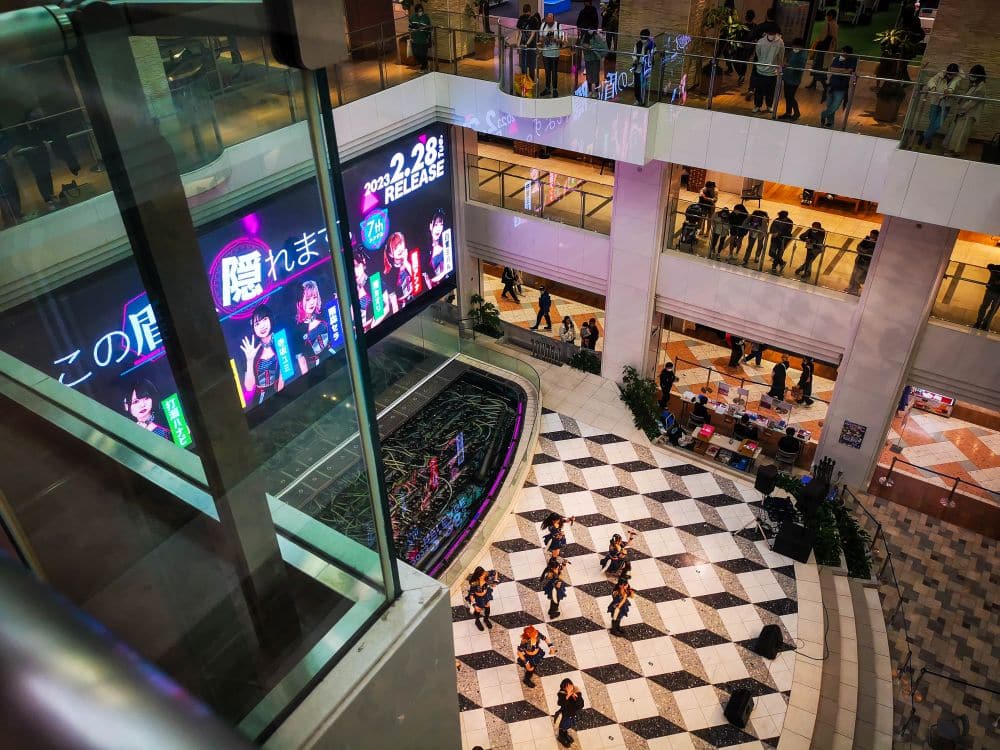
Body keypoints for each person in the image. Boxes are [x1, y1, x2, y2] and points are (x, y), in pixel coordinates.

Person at [20, 107, 82, 210]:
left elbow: (52, 134)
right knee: (43, 176)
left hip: (49, 152)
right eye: (36, 117)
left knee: (45, 174)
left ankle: (55, 197)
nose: (39, 119)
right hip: (37, 157)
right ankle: (49, 199)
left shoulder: (45, 124)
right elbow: (25, 141)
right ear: (29, 119)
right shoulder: (22, 128)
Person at [240, 304, 284, 405]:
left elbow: (284, 373)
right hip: (259, 400)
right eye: (257, 324)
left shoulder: (280, 340)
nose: (262, 326)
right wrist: (250, 360)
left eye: (264, 319)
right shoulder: (252, 349)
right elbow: (249, 386)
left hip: (279, 393)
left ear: (271, 319)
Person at [943, 65, 987, 157]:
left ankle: (954, 152)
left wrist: (962, 109)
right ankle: (951, 150)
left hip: (968, 114)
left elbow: (972, 102)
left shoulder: (981, 87)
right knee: (956, 132)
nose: (971, 77)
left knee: (960, 134)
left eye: (973, 75)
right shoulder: (975, 85)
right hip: (963, 112)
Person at [918, 63, 962, 148]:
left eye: (952, 74)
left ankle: (924, 136)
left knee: (938, 124)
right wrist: (933, 87)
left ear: (956, 73)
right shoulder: (940, 74)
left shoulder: (957, 78)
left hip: (946, 104)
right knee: (932, 122)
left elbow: (954, 85)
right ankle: (929, 141)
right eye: (949, 73)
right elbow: (931, 81)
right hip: (935, 102)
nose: (950, 76)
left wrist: (949, 90)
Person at [295, 279, 331, 374]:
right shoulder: (298, 329)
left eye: (314, 297)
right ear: (300, 301)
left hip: (334, 356)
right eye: (307, 299)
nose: (312, 302)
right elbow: (301, 359)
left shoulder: (324, 314)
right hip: (315, 369)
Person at [820, 46, 856, 128]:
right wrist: (843, 70)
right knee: (829, 104)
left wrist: (839, 70)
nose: (845, 54)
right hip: (832, 85)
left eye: (847, 53)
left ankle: (823, 114)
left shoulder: (852, 60)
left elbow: (849, 71)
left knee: (835, 106)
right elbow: (832, 69)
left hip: (842, 87)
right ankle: (830, 122)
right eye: (844, 52)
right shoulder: (836, 59)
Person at [752, 27, 784, 113]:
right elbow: (758, 53)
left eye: (773, 32)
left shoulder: (780, 42)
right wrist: (762, 62)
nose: (771, 34)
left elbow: (781, 56)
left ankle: (769, 105)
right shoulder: (761, 41)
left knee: (770, 90)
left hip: (772, 72)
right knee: (759, 90)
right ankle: (757, 105)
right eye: (770, 32)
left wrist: (778, 68)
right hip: (761, 70)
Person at [806, 10, 838, 95]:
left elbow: (824, 37)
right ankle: (814, 83)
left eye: (828, 15)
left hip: (823, 49)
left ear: (831, 16)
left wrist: (818, 42)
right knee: (819, 66)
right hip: (828, 49)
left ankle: (825, 86)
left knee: (819, 66)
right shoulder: (835, 25)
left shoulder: (830, 24)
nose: (827, 17)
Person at [383, 232, 414, 312]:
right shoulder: (389, 274)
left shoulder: (411, 259)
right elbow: (394, 303)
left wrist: (406, 263)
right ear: (390, 254)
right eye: (396, 247)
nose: (400, 248)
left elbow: (418, 279)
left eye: (401, 244)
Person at [779, 38, 808, 121]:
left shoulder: (803, 55)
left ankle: (796, 113)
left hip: (794, 79)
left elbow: (800, 67)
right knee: (787, 96)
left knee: (790, 96)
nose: (794, 47)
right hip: (787, 77)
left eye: (796, 46)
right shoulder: (792, 52)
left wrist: (789, 66)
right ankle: (788, 113)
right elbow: (788, 61)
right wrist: (785, 65)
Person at [554, 678, 584, 747]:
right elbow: (560, 703)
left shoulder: (577, 692)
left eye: (570, 687)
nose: (569, 689)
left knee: (567, 726)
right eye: (567, 688)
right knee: (562, 727)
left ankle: (565, 735)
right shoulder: (562, 694)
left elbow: (581, 705)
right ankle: (561, 737)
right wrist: (567, 695)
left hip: (572, 714)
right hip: (565, 714)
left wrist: (576, 698)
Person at [465, 566, 497, 631]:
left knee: (487, 606)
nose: (484, 575)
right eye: (482, 575)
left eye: (484, 574)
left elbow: (495, 572)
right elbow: (471, 595)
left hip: (485, 594)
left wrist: (495, 581)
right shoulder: (475, 583)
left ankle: (486, 619)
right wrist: (474, 605)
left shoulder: (486, 574)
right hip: (478, 598)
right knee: (478, 610)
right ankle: (477, 621)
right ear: (478, 576)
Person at [539, 13, 564, 97]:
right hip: (545, 52)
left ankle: (555, 89)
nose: (549, 21)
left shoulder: (558, 26)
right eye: (547, 19)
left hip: (554, 53)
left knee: (554, 71)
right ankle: (547, 88)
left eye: (550, 19)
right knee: (547, 71)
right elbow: (540, 39)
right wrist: (545, 39)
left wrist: (555, 39)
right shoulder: (543, 25)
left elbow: (562, 40)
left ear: (553, 19)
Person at [847, 229, 878, 295]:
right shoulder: (867, 239)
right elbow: (858, 247)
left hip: (867, 264)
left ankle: (855, 288)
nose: (871, 237)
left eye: (873, 236)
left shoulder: (878, 243)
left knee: (859, 276)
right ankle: (852, 288)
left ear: (876, 236)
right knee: (854, 275)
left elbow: (870, 252)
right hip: (859, 261)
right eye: (871, 235)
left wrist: (862, 250)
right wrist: (865, 251)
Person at [732, 10, 756, 85]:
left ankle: (741, 76)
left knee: (736, 61)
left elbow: (738, 37)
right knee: (744, 62)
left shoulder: (742, 26)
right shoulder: (755, 26)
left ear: (746, 17)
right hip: (750, 48)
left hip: (741, 47)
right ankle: (742, 76)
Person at [631, 29, 654, 106]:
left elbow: (653, 56)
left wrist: (649, 61)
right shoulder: (638, 44)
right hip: (638, 67)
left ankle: (644, 100)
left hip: (646, 68)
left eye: (644, 38)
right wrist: (635, 60)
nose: (643, 40)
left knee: (644, 85)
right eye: (642, 38)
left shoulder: (652, 44)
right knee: (637, 84)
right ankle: (638, 99)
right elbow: (634, 54)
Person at [516, 4, 540, 79]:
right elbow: (532, 34)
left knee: (526, 64)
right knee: (528, 64)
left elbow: (519, 32)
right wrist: (524, 44)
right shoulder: (533, 19)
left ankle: (527, 81)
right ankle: (528, 81)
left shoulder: (523, 18)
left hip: (526, 45)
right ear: (530, 11)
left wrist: (519, 44)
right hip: (528, 45)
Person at [973, 263, 1000, 331]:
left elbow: (989, 266)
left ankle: (978, 322)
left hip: (990, 290)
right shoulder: (995, 268)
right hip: (998, 294)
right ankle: (985, 324)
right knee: (992, 310)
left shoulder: (995, 268)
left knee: (984, 306)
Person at [582, 31, 608, 95]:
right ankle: (590, 90)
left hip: (595, 59)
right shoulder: (585, 36)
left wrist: (591, 47)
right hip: (588, 59)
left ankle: (596, 91)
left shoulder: (597, 36)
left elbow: (602, 46)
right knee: (589, 75)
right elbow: (582, 44)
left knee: (595, 75)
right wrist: (586, 46)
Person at [408, 3, 432, 72]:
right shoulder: (412, 18)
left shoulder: (426, 18)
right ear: (416, 12)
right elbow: (409, 29)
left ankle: (424, 66)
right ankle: (424, 65)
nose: (420, 12)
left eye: (421, 11)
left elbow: (429, 29)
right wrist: (411, 37)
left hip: (423, 40)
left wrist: (429, 39)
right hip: (415, 40)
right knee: (416, 54)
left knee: (423, 54)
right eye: (419, 11)